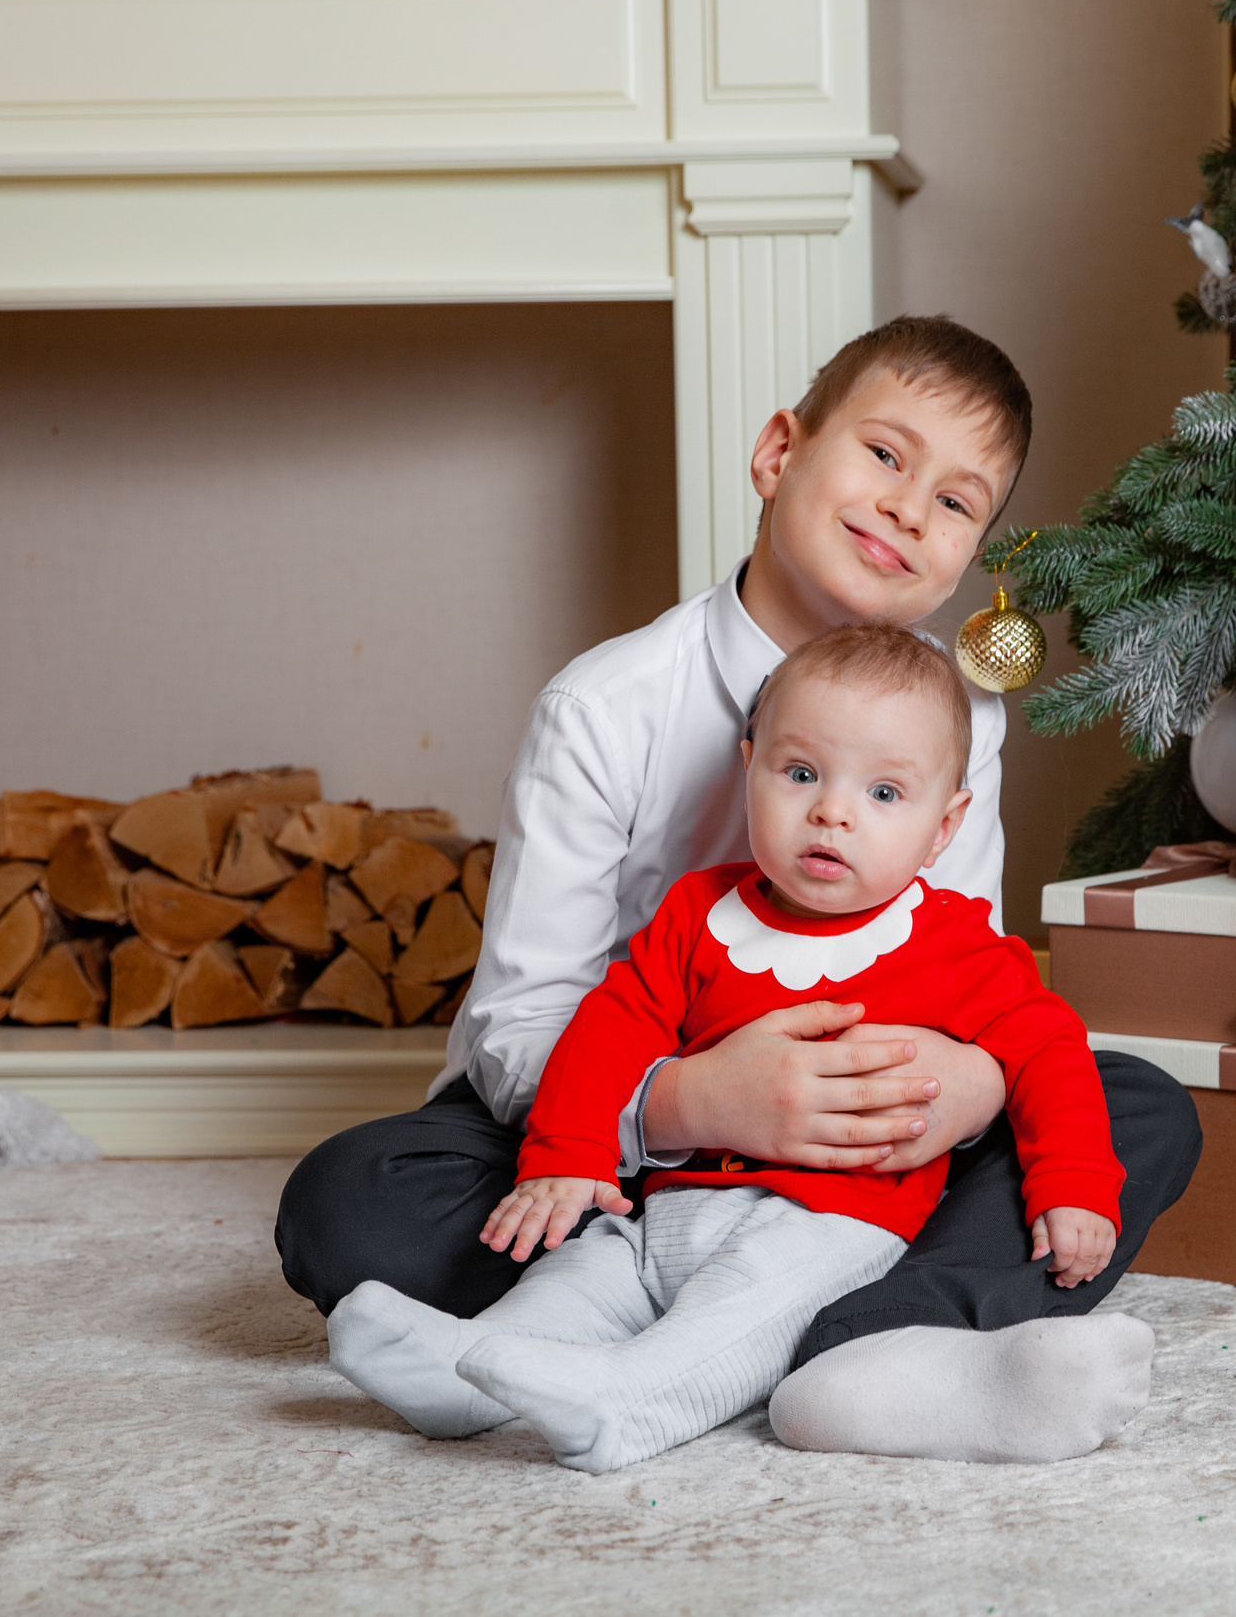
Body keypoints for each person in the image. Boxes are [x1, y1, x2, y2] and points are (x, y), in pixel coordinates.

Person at [275, 314, 1202, 1464]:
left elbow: (964, 964)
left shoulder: (967, 724)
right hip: (615, 1128)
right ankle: (768, 1333)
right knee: (350, 1204)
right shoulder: (605, 706)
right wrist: (703, 1103)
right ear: (777, 455)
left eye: (958, 503)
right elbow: (524, 1029)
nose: (910, 509)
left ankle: (871, 1346)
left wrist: (961, 1088)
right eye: (883, 456)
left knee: (1135, 1108)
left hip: (870, 1149)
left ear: (969, 557)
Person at [327, 626, 1133, 1472]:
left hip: (830, 1225)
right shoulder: (697, 912)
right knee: (583, 1278)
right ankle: (464, 1371)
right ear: (748, 769)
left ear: (944, 826)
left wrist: (1073, 1185)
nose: (833, 811)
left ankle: (629, 1402)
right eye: (799, 774)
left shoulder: (955, 941)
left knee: (738, 1309)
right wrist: (567, 1153)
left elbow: (1050, 1048)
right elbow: (611, 1024)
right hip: (665, 1208)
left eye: (886, 793)